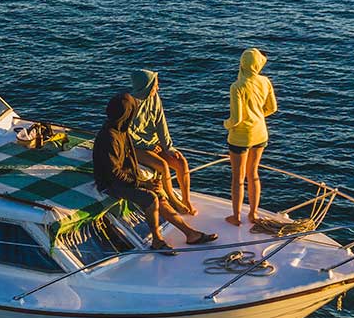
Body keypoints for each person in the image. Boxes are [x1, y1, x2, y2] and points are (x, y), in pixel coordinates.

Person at [93, 92, 216, 253]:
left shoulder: (121, 130)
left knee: (159, 195)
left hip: (127, 177)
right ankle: (157, 240)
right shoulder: (110, 137)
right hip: (110, 183)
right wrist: (143, 183)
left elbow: (128, 161)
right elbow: (114, 173)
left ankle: (190, 234)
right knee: (149, 197)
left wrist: (142, 179)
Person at [128, 69, 196, 216]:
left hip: (154, 144)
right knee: (163, 166)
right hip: (137, 147)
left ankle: (186, 199)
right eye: (155, 85)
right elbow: (129, 135)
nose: (157, 88)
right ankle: (172, 199)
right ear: (146, 86)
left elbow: (161, 123)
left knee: (181, 161)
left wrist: (169, 147)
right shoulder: (130, 104)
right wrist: (150, 146)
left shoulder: (155, 98)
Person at [223, 48, 277, 227]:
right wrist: (257, 117)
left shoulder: (237, 86)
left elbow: (236, 119)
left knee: (238, 178)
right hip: (260, 133)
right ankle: (253, 213)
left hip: (240, 137)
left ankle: (236, 217)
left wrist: (226, 124)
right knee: (253, 174)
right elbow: (272, 108)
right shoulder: (265, 81)